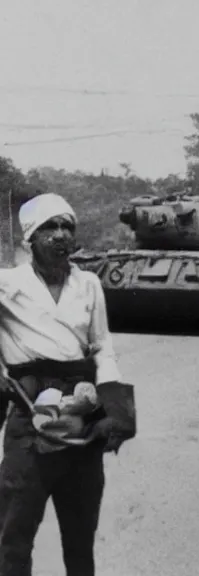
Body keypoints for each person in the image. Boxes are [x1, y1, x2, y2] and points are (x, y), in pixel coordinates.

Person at [0, 193, 135, 576]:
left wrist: (118, 411)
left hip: (82, 418)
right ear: (30, 238)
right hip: (29, 420)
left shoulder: (88, 284)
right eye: (49, 228)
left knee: (80, 536)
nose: (61, 236)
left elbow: (103, 347)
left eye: (67, 227)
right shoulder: (8, 284)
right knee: (15, 534)